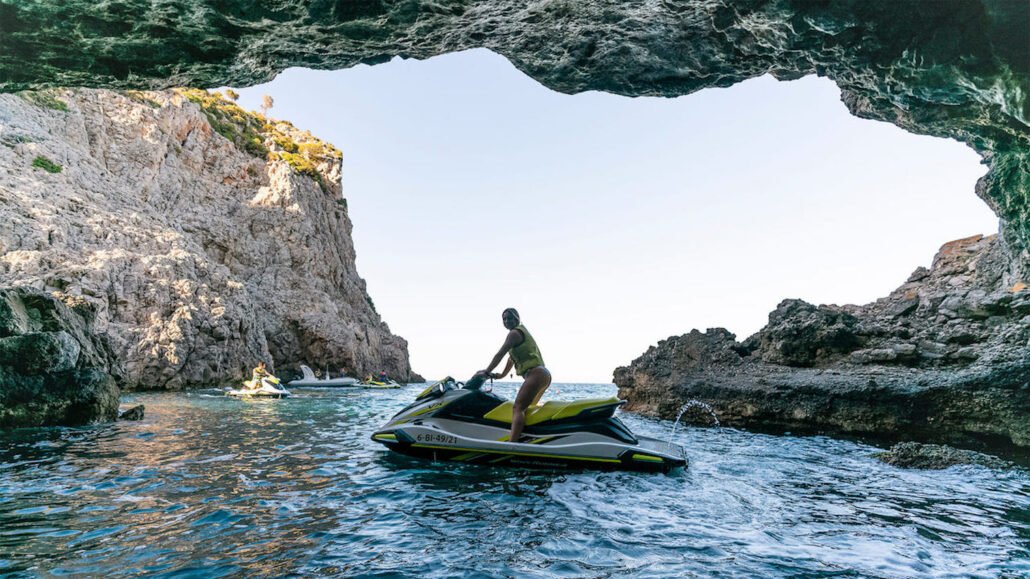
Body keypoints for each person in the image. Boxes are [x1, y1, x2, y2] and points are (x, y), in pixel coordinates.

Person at [477, 307, 551, 443]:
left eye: (510, 318)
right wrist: (500, 375)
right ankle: (528, 439)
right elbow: (511, 358)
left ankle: (512, 444)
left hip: (536, 374)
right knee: (527, 409)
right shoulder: (521, 333)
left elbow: (500, 354)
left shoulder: (514, 334)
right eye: (504, 319)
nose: (507, 321)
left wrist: (486, 371)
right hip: (543, 375)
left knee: (518, 407)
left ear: (517, 318)